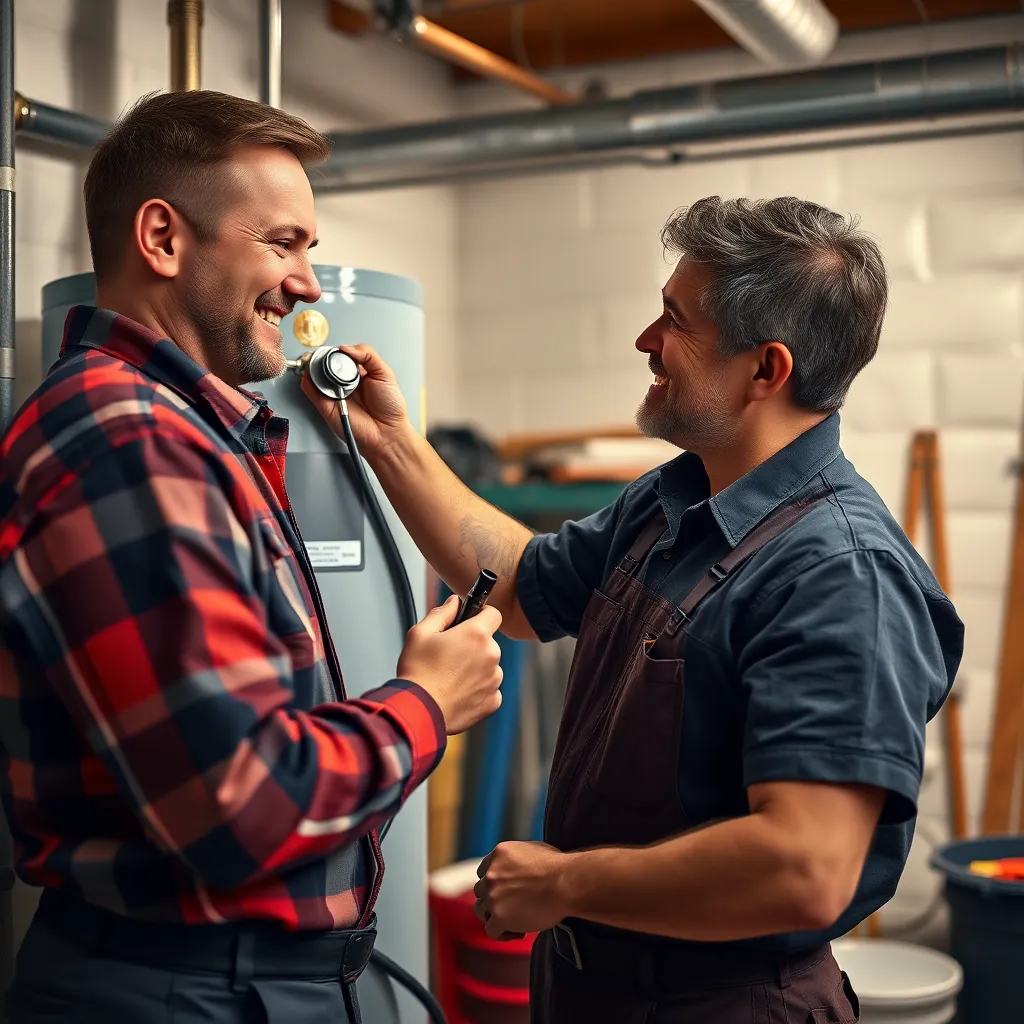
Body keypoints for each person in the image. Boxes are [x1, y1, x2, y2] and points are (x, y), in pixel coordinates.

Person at [303, 196, 965, 1022]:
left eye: (673, 320)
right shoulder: (676, 497)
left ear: (767, 370)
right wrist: (393, 440)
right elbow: (518, 587)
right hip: (594, 986)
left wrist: (564, 883)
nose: (646, 341)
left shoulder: (840, 574)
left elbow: (806, 865)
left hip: (720, 1005)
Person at [0, 90, 504, 1024]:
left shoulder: (183, 435)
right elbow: (242, 803)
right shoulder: (131, 442)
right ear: (162, 238)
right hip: (189, 990)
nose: (309, 284)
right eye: (283, 243)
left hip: (235, 981)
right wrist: (426, 703)